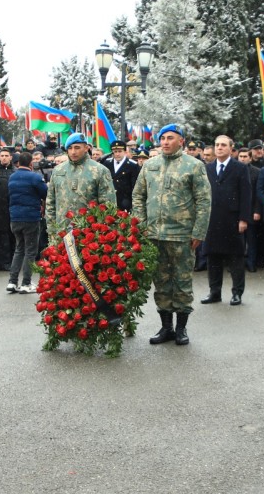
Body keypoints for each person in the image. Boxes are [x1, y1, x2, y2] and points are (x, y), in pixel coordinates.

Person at [132, 124, 211, 346]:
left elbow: (204, 200)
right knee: (162, 283)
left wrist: (199, 231)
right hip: (154, 235)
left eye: (170, 138)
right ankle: (166, 327)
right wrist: (142, 224)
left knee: (182, 282)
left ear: (181, 141)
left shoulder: (194, 166)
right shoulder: (150, 165)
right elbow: (138, 195)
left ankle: (181, 328)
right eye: (163, 138)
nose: (165, 142)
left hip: (183, 235)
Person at [201, 135, 251, 306]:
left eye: (223, 145)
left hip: (232, 219)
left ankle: (237, 292)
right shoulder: (208, 168)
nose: (219, 148)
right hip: (212, 219)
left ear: (231, 148)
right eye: (217, 145)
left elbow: (246, 195)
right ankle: (214, 292)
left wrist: (243, 219)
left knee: (235, 258)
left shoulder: (240, 168)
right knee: (213, 257)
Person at [44, 134, 117, 238]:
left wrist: (103, 233)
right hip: (61, 232)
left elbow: (108, 205)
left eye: (77, 148)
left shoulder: (99, 171)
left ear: (86, 148)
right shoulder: (58, 170)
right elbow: (50, 202)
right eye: (70, 148)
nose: (73, 152)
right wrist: (52, 230)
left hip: (89, 235)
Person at [7, 151, 47, 294]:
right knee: (30, 251)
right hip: (30, 217)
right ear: (31, 163)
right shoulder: (35, 177)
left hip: (15, 218)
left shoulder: (12, 177)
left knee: (19, 249)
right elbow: (45, 193)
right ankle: (26, 283)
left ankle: (12, 282)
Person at [102, 140, 140, 212]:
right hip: (110, 202)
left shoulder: (132, 165)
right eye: (115, 152)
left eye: (119, 151)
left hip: (125, 202)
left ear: (125, 152)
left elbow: (135, 186)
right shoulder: (107, 163)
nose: (117, 154)